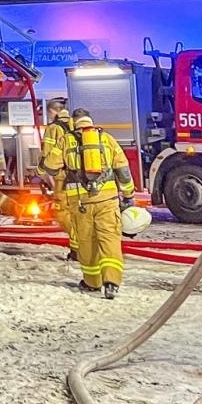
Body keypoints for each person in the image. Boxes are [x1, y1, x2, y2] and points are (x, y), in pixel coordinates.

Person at [66, 109, 135, 298]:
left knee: (87, 242)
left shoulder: (66, 140)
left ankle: (92, 283)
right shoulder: (107, 139)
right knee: (110, 240)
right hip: (107, 201)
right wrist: (128, 194)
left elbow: (52, 165)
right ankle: (111, 283)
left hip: (81, 202)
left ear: (74, 123)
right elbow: (122, 167)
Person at [41, 97, 80, 257]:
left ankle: (79, 247)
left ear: (53, 111)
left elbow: (47, 155)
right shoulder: (76, 124)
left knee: (62, 213)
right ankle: (80, 246)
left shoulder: (53, 128)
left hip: (62, 178)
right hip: (80, 177)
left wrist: (44, 176)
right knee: (77, 213)